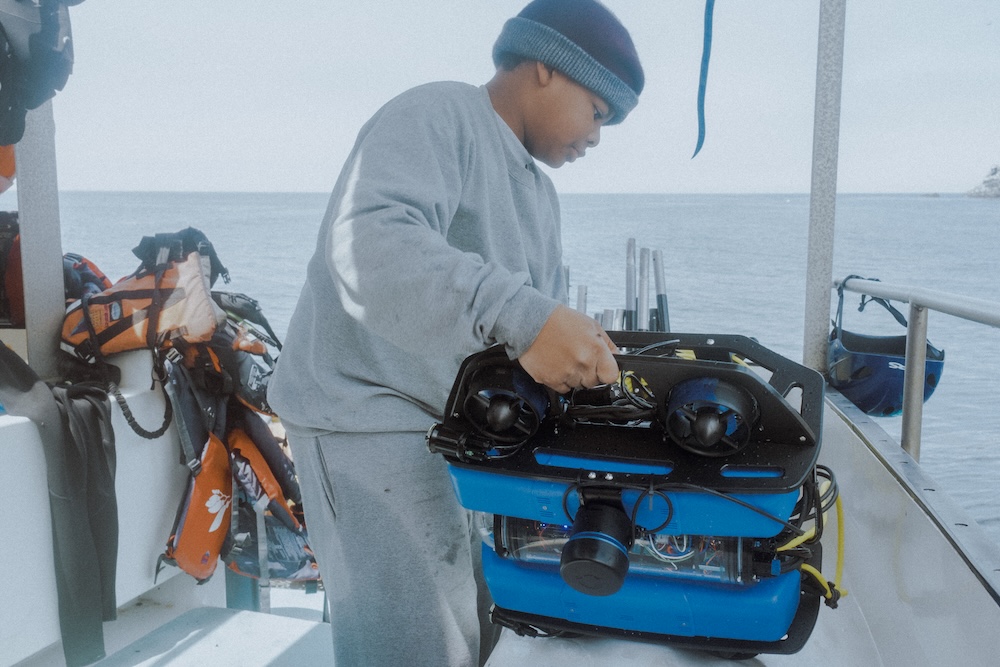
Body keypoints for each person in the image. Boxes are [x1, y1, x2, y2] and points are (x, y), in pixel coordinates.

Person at [267, 1, 644, 664]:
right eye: (599, 111)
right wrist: (528, 317)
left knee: (483, 635)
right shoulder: (438, 114)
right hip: (367, 425)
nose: (597, 137)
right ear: (548, 69)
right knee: (415, 648)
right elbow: (365, 248)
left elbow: (530, 334)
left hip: (460, 444)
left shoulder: (539, 194)